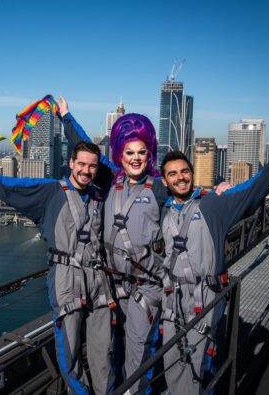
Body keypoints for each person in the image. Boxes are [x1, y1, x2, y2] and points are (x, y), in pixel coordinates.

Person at [57, 97, 230, 392]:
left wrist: (217, 192)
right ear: (120, 155)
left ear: (148, 153)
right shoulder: (112, 179)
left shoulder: (158, 185)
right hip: (112, 286)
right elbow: (88, 151)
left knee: (138, 354)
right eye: (128, 152)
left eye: (141, 152)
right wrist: (66, 118)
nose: (135, 158)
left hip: (145, 287)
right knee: (118, 349)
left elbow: (183, 189)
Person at [0, 141, 115, 394]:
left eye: (92, 166)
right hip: (66, 278)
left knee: (103, 349)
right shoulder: (49, 192)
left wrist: (67, 118)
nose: (86, 170)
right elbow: (6, 186)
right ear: (71, 164)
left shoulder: (99, 195)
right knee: (70, 348)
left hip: (97, 278)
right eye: (81, 164)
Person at [158, 140, 269, 394]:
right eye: (173, 174)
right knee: (173, 363)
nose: (180, 178)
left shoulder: (213, 204)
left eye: (184, 171)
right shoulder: (163, 209)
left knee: (199, 364)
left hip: (205, 297)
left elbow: (253, 188)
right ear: (164, 181)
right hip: (173, 300)